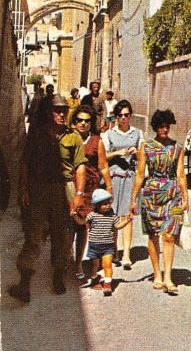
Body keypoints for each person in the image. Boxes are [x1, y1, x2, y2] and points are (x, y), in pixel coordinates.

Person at [9, 94, 87, 303]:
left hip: (64, 188)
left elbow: (80, 167)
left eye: (64, 111)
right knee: (34, 234)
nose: (61, 114)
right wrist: (23, 189)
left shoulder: (74, 137)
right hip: (39, 189)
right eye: (57, 110)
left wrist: (79, 194)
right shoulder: (37, 135)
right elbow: (25, 163)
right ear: (48, 112)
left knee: (62, 235)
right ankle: (24, 282)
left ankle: (58, 275)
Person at [130, 109, 188, 294]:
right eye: (162, 126)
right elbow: (140, 174)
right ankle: (157, 274)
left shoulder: (177, 147)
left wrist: (185, 198)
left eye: (167, 126)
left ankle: (168, 276)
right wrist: (133, 199)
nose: (165, 129)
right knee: (153, 235)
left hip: (173, 194)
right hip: (151, 194)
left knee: (170, 235)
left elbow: (181, 174)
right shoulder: (145, 146)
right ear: (156, 127)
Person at [70, 104, 112, 279]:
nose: (83, 124)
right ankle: (64, 261)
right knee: (67, 227)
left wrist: (109, 187)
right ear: (74, 122)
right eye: (79, 120)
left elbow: (102, 166)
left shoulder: (97, 141)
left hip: (89, 190)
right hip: (70, 187)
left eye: (87, 121)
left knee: (82, 227)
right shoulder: (68, 139)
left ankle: (79, 263)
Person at [102, 99, 143, 268]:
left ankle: (126, 254)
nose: (123, 118)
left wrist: (137, 152)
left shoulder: (137, 133)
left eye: (126, 115)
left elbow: (143, 157)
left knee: (127, 216)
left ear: (130, 116)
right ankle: (113, 251)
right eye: (120, 116)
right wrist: (117, 152)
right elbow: (102, 155)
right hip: (114, 178)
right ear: (116, 117)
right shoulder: (109, 134)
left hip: (129, 178)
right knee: (113, 215)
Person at [74, 188, 133, 296]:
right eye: (104, 204)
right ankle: (94, 279)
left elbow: (117, 226)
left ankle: (107, 284)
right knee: (94, 265)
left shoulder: (112, 216)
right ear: (97, 205)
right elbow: (82, 222)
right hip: (94, 246)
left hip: (107, 246)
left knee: (107, 264)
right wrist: (75, 216)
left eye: (109, 203)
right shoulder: (92, 215)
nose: (108, 206)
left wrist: (126, 221)